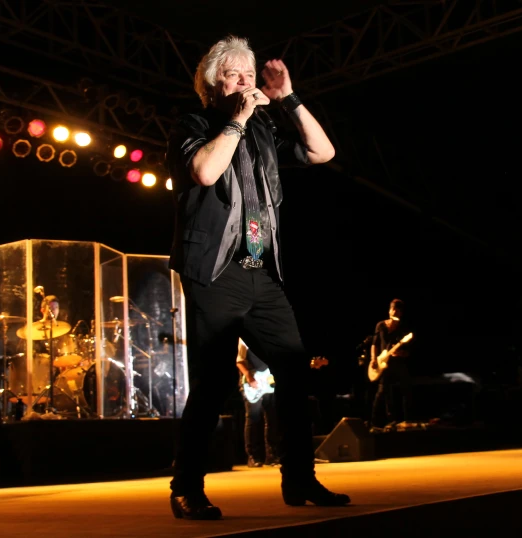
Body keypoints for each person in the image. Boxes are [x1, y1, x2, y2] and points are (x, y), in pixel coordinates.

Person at [166, 35, 349, 520]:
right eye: (235, 75)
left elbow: (323, 151)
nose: (246, 82)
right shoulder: (194, 123)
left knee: (293, 367)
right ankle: (186, 488)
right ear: (212, 85)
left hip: (261, 272)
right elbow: (205, 172)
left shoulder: (265, 131)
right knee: (214, 380)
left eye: (251, 74)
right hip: (215, 272)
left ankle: (300, 480)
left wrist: (288, 97)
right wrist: (237, 119)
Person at [369, 298, 414, 431]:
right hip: (382, 362)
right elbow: (374, 344)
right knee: (382, 391)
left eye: (396, 309)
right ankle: (375, 422)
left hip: (397, 364)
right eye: (391, 308)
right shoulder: (381, 325)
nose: (393, 311)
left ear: (400, 312)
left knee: (406, 389)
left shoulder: (403, 328)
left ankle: (407, 420)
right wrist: (373, 359)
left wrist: (401, 353)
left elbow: (409, 352)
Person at [236, 338, 280, 467]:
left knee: (272, 419)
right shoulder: (244, 339)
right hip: (253, 383)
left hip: (268, 382)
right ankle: (252, 456)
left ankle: (272, 455)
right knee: (253, 419)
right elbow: (239, 361)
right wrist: (249, 377)